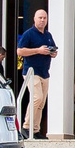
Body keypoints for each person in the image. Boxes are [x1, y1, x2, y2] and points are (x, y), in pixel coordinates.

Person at [14, 8, 57, 139]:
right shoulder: (29, 34)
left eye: (44, 18)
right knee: (36, 98)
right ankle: (26, 127)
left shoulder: (48, 35)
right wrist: (38, 50)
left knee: (41, 103)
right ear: (34, 19)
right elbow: (20, 51)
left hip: (44, 72)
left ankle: (35, 129)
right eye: (40, 18)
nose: (42, 20)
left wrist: (53, 53)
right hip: (31, 71)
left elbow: (53, 49)